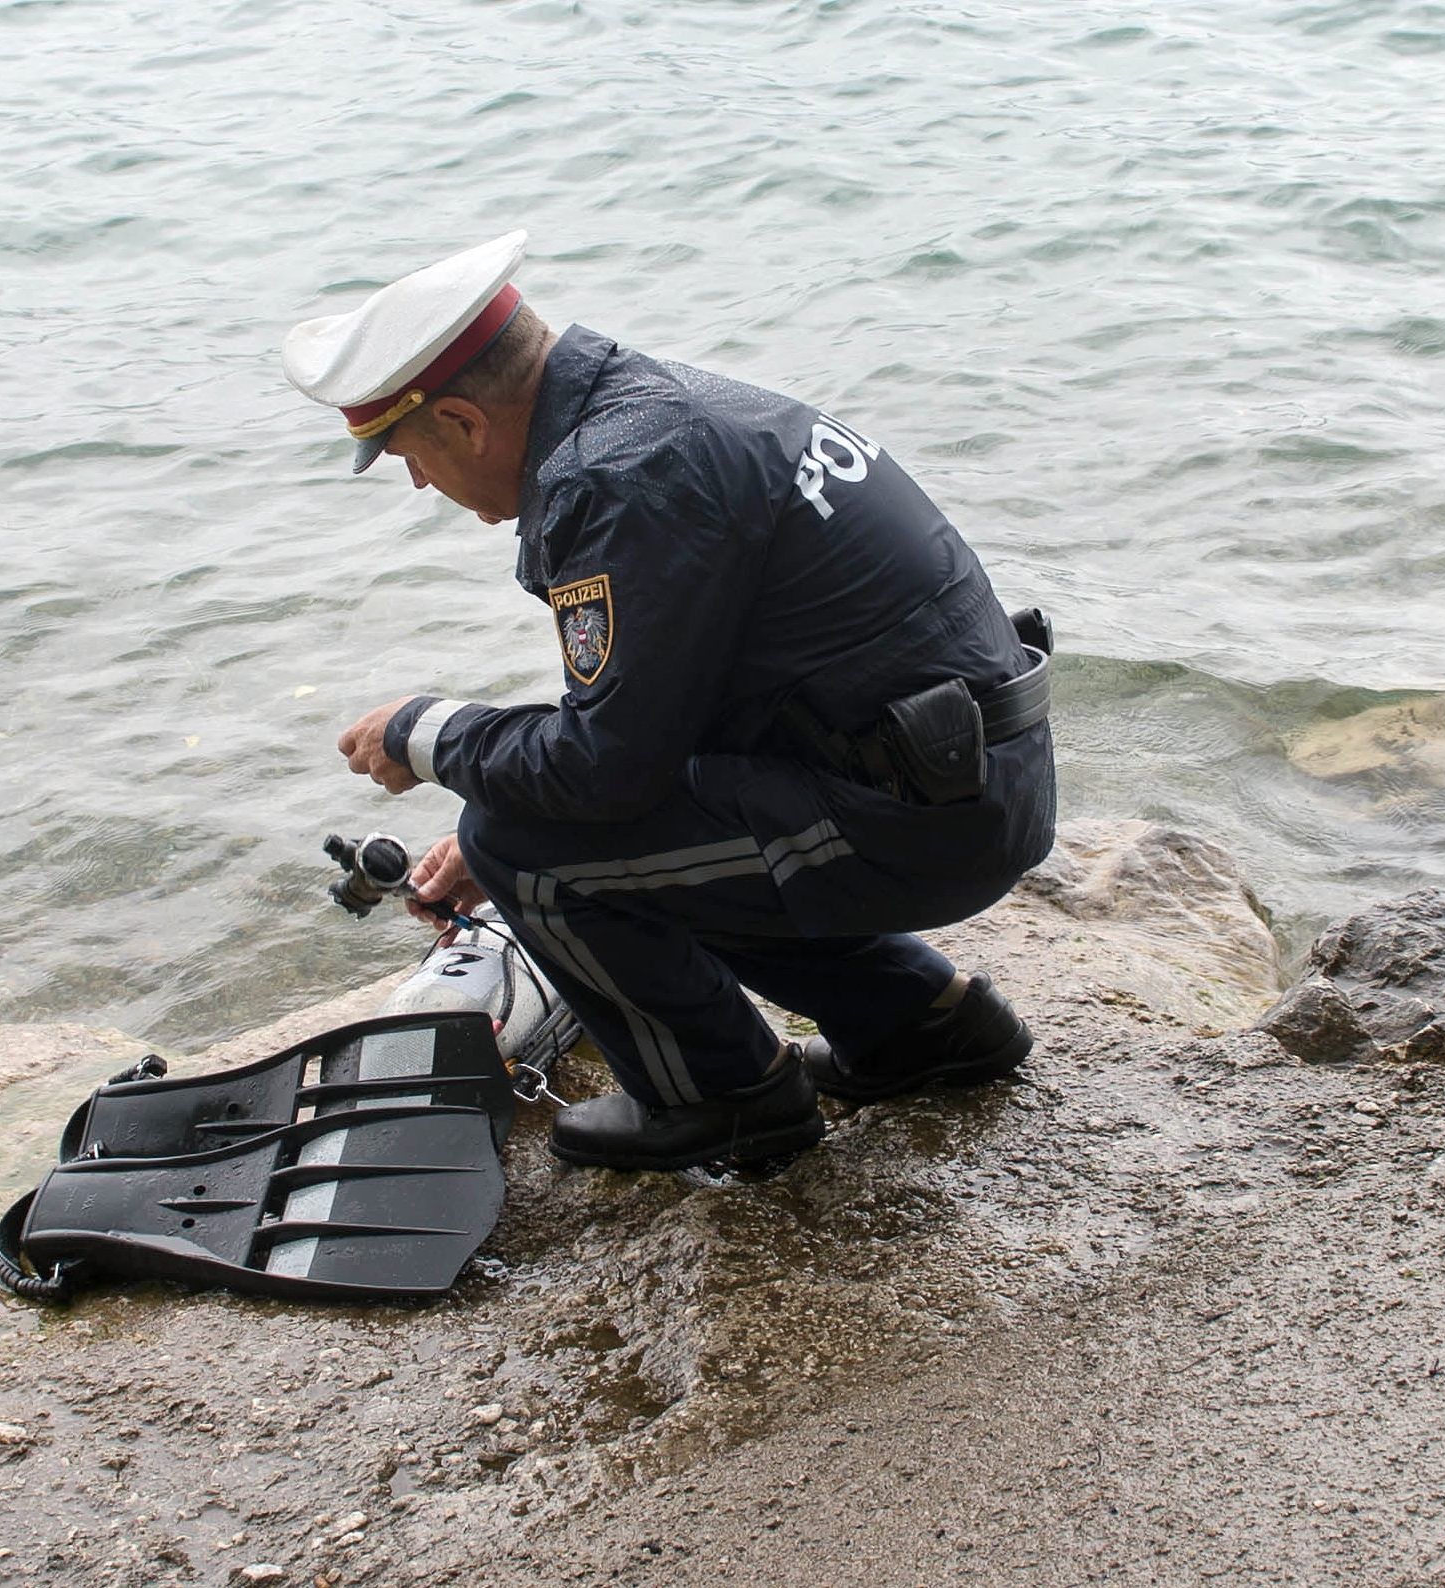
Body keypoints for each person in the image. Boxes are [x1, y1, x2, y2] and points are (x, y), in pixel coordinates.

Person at [282, 232, 1057, 1171]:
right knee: (553, 824)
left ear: (461, 421)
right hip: (964, 779)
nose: (416, 481)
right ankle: (918, 1028)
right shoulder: (663, 412)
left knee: (521, 846)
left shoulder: (616, 474)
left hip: (921, 815)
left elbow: (604, 774)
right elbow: (650, 711)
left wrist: (425, 732)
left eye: (407, 454)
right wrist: (534, 793)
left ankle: (725, 1102)